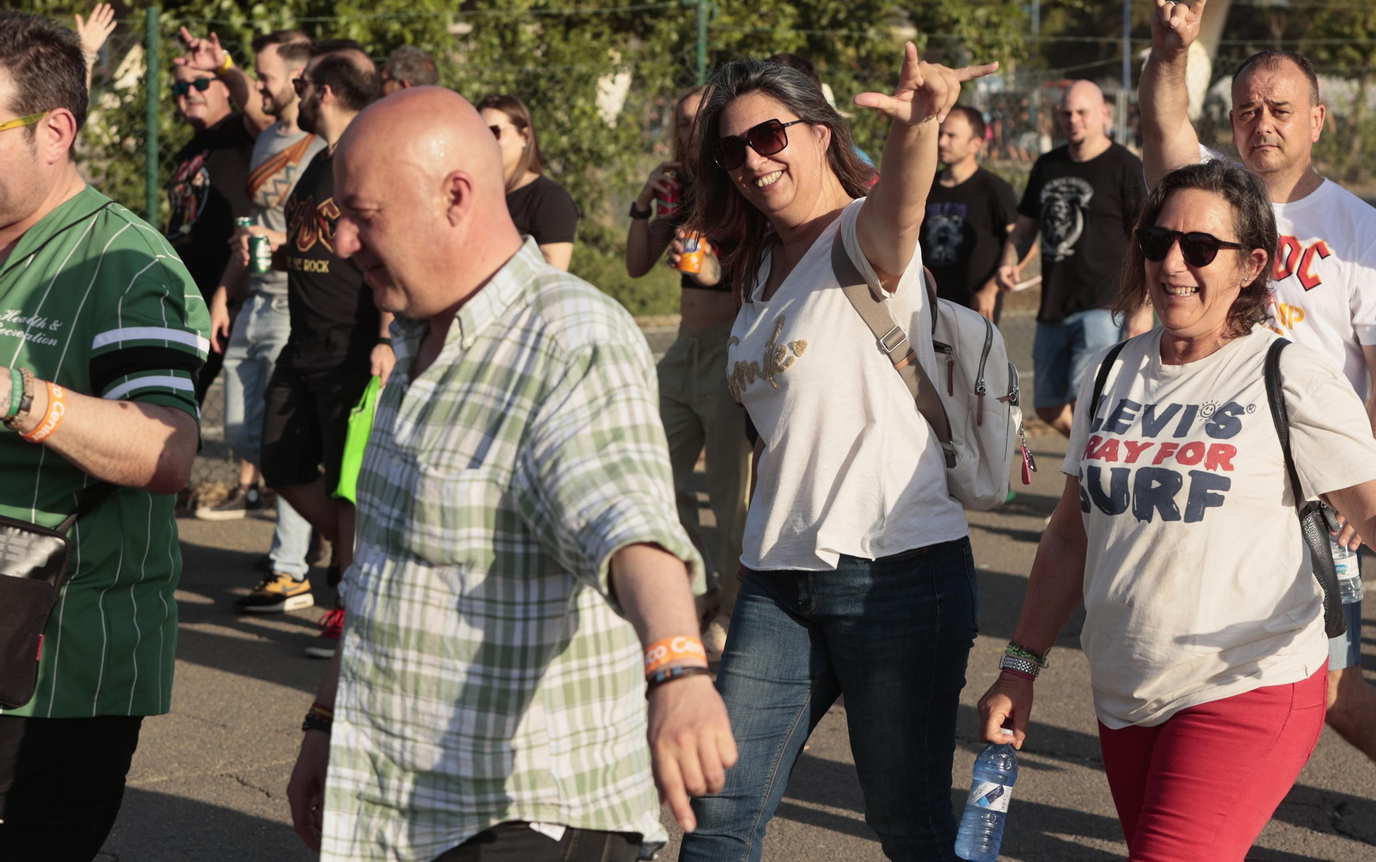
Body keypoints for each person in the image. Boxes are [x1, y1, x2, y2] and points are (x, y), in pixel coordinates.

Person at [977, 161, 1376, 862]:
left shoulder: (1286, 374)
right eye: (1157, 242)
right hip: (1125, 694)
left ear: (1251, 265)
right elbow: (1071, 536)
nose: (1172, 264)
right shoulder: (1110, 372)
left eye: (1199, 248)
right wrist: (1019, 666)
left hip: (1248, 683)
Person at [286, 85, 735, 862]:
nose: (345, 242)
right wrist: (326, 726)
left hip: (525, 818)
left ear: (455, 196)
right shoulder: (416, 346)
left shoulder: (570, 337)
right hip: (408, 803)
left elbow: (627, 523)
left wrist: (678, 670)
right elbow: (381, 574)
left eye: (364, 215)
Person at [1142, 0, 1376, 860]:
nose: (1262, 124)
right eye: (1247, 109)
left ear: (1317, 119)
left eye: (1281, 109)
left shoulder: (1360, 230)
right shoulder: (1208, 202)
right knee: (1186, 664)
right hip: (1212, 481)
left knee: (1329, 692)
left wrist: (1366, 489)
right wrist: (1170, 55)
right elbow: (1162, 129)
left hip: (1314, 501)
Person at [677, 46, 997, 862]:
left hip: (895, 572)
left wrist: (919, 125)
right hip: (776, 579)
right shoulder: (757, 268)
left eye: (770, 137)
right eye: (733, 150)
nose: (753, 161)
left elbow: (903, 200)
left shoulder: (862, 237)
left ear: (820, 133)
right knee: (717, 814)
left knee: (908, 823)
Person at [0, 10, 208, 860]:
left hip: (59, 671)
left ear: (54, 132)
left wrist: (14, 394)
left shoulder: (127, 264)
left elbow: (168, 448)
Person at [254, 42, 391, 657]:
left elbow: (384, 248)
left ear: (325, 92)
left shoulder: (366, 157)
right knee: (280, 462)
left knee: (346, 484)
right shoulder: (319, 158)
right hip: (303, 339)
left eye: (304, 83)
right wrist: (275, 248)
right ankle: (365, 561)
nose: (297, 92)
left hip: (350, 345)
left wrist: (385, 336)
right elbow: (320, 245)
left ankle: (353, 611)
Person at [201, 32, 329, 619]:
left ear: (299, 81)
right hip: (253, 301)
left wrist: (281, 242)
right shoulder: (266, 136)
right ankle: (317, 506)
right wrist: (223, 294)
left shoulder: (319, 141)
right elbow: (251, 224)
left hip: (292, 304)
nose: (257, 85)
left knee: (281, 444)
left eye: (266, 76)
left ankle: (289, 569)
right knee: (240, 433)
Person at [627, 86, 751, 654]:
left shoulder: (740, 182)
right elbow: (636, 265)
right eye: (681, 121)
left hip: (730, 346)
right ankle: (700, 588)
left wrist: (706, 269)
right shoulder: (682, 187)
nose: (689, 130)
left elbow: (734, 270)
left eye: (699, 120)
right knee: (654, 470)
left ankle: (732, 606)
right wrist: (642, 204)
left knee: (730, 494)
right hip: (684, 349)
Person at [995, 80, 1150, 437]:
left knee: (1088, 404)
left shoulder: (1125, 166)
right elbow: (1024, 230)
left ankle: (1091, 466)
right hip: (1053, 306)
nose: (1073, 120)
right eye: (1066, 113)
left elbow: (1144, 241)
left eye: (1082, 112)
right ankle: (1095, 457)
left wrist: (1142, 308)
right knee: (1047, 405)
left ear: (1104, 114)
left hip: (1104, 306)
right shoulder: (1048, 165)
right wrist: (1008, 262)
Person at [164, 57, 254, 405]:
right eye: (180, 87)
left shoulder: (240, 133)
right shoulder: (192, 149)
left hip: (230, 300)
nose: (189, 93)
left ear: (225, 88)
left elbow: (261, 111)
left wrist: (226, 66)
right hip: (191, 300)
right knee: (178, 399)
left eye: (200, 83)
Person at [922, 104, 1017, 322]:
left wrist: (991, 289)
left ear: (975, 144)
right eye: (941, 134)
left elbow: (1021, 242)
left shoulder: (994, 189)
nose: (942, 142)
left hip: (973, 310)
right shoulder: (926, 186)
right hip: (928, 306)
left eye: (952, 136)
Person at [477, 93, 578, 271]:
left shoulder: (550, 199)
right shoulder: (472, 192)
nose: (486, 140)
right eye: (479, 132)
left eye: (494, 131)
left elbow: (552, 271)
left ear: (525, 136)